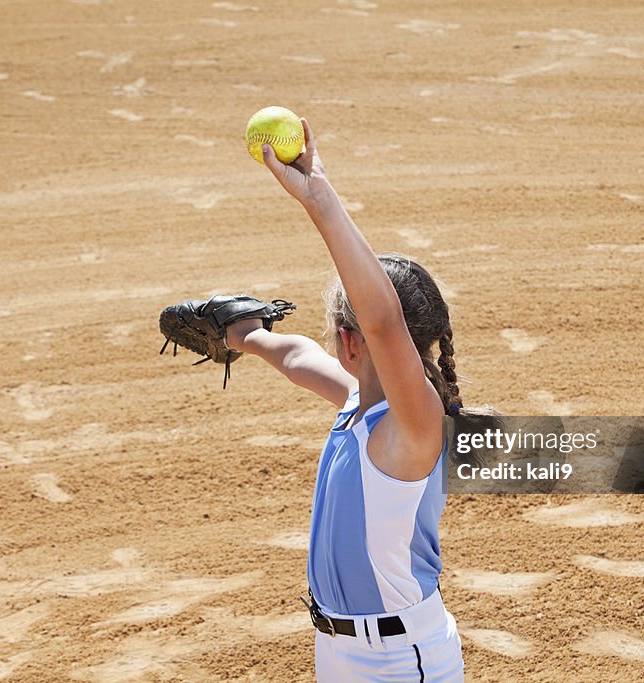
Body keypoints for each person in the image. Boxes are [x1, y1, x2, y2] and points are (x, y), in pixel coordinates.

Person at [223, 119, 465, 682]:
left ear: (351, 341)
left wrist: (320, 200)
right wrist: (249, 336)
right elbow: (296, 357)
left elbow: (382, 321)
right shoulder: (360, 405)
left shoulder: (416, 426)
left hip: (402, 664)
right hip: (338, 651)